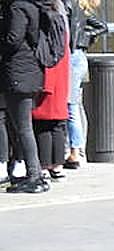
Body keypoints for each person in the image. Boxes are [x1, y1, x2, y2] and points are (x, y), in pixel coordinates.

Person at [1, 0, 50, 194]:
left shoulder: (17, 7)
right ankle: (33, 174)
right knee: (22, 128)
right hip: (28, 71)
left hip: (19, 73)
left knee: (23, 128)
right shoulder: (32, 6)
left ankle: (34, 176)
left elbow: (13, 39)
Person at [64, 0, 106, 168]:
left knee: (71, 105)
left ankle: (76, 151)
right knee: (76, 105)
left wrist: (84, 37)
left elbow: (102, 26)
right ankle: (78, 149)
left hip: (75, 58)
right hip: (78, 58)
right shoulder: (79, 10)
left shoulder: (77, 10)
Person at [31, 0, 68, 183]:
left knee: (43, 123)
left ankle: (45, 166)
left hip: (49, 75)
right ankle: (58, 166)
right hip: (60, 76)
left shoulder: (45, 20)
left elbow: (44, 51)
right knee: (58, 124)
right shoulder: (61, 21)